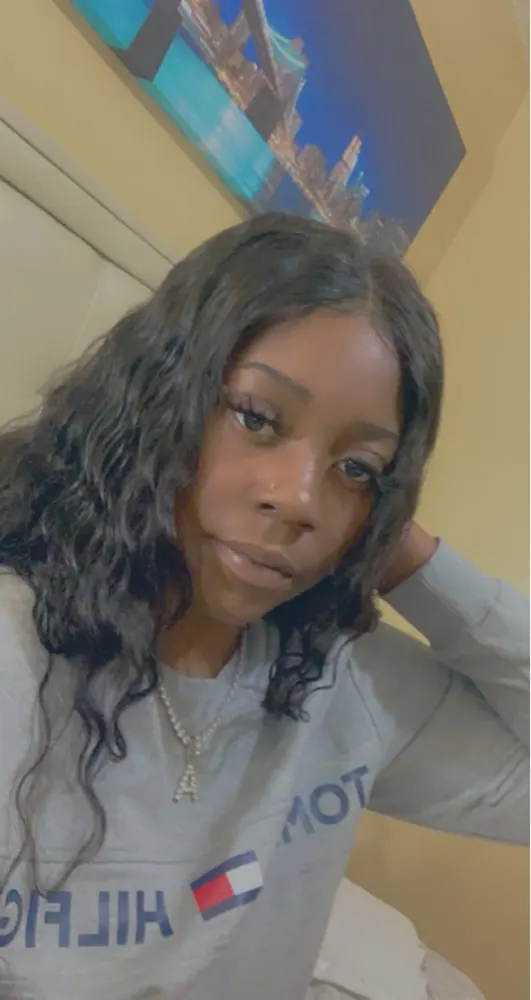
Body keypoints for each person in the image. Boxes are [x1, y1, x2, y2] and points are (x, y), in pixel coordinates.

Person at [0, 214, 528, 1000]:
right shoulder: (18, 657)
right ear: (157, 397)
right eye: (255, 417)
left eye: (356, 468)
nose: (301, 498)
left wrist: (411, 560)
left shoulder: (344, 679)